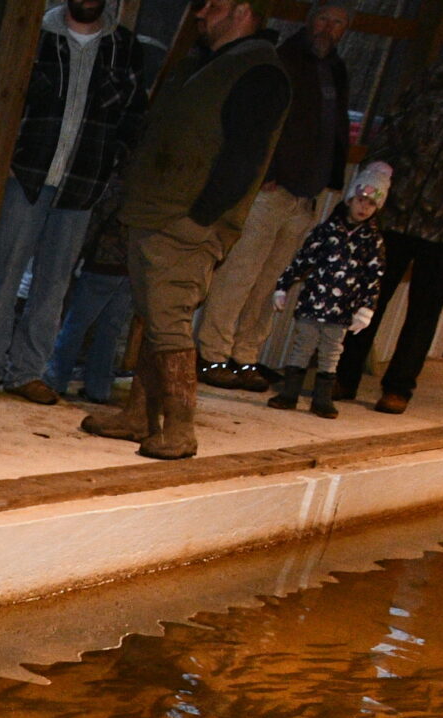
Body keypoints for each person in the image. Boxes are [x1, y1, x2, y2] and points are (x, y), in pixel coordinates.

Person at [82, 0, 291, 461]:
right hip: (156, 211)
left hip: (186, 221)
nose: (200, 13)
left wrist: (201, 217)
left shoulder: (258, 71)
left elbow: (245, 157)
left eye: (213, 5)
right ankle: (140, 416)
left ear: (242, 11)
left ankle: (180, 429)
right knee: (154, 317)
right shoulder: (204, 61)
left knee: (170, 323)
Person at [0, 0, 150, 405]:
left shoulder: (124, 47)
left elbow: (133, 115)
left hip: (82, 184)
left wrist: (110, 163)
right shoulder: (35, 36)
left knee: (54, 283)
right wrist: (8, 155)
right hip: (27, 175)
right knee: (4, 273)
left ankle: (29, 373)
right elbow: (5, 95)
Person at [335, 5, 443, 414]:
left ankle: (399, 387)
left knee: (425, 310)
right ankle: (343, 374)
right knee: (370, 294)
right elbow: (393, 126)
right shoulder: (438, 75)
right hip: (398, 209)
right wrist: (372, 183)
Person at [198, 4, 352, 391]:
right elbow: (262, 122)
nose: (327, 29)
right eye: (322, 19)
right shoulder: (283, 61)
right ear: (308, 20)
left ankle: (245, 356)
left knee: (271, 282)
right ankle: (211, 353)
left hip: (304, 196)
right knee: (239, 274)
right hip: (271, 191)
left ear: (345, 30)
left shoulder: (336, 71)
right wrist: (264, 171)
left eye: (336, 23)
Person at [266, 163, 388, 417]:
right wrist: (283, 286)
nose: (364, 207)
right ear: (349, 199)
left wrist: (366, 308)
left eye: (371, 204)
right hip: (312, 304)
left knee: (331, 352)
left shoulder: (373, 241)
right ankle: (290, 393)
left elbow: (373, 276)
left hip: (342, 310)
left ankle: (322, 399)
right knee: (302, 346)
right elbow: (303, 260)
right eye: (360, 200)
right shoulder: (326, 231)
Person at [47, 189, 136, 405]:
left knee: (75, 325)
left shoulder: (115, 188)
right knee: (110, 330)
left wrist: (80, 253)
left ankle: (56, 379)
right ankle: (99, 388)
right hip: (131, 267)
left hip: (102, 263)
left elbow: (96, 221)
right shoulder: (146, 190)